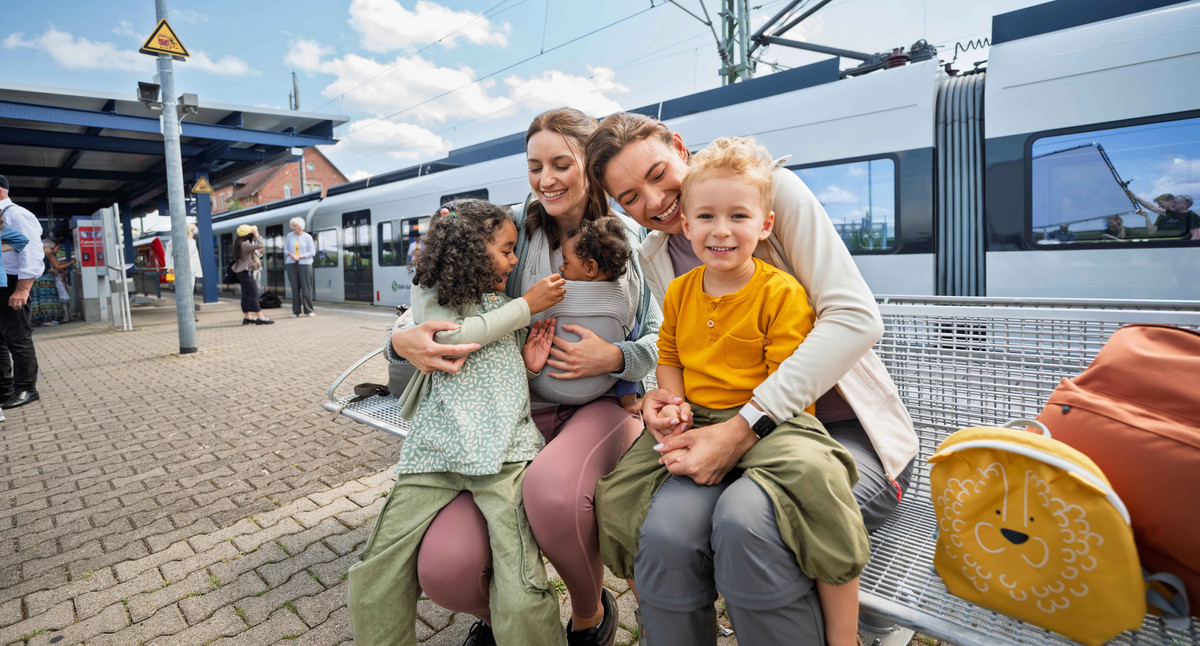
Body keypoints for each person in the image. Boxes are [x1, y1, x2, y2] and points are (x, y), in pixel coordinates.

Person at [584, 112, 918, 646]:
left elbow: (857, 318)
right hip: (726, 431)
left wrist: (741, 429)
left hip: (839, 433)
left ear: (679, 146)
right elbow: (677, 351)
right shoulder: (657, 258)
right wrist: (662, 401)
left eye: (656, 174)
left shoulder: (769, 192)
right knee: (665, 532)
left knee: (751, 527)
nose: (654, 202)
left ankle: (849, 632)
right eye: (630, 198)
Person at [388, 108, 661, 646]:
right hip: (507, 417)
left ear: (592, 163)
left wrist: (616, 359)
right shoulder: (512, 228)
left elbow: (662, 335)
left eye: (562, 163)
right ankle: (510, 619)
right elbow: (440, 291)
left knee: (554, 498)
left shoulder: (629, 237)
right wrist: (399, 337)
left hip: (600, 410)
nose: (547, 179)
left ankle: (589, 614)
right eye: (535, 165)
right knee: (445, 569)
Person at [348, 200, 569, 646]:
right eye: (507, 250)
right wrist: (527, 305)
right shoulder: (435, 297)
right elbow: (456, 338)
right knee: (378, 568)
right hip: (436, 453)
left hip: (503, 454)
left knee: (520, 576)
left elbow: (495, 370)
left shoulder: (504, 305)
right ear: (471, 248)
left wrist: (527, 364)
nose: (513, 260)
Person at [530, 217, 640, 409]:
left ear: (590, 268)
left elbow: (628, 347)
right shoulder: (624, 304)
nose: (561, 267)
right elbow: (630, 336)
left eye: (566, 262)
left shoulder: (622, 300)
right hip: (550, 393)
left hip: (592, 399)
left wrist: (628, 393)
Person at [0, 174, 45, 410]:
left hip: (12, 282)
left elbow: (32, 253)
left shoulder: (15, 214)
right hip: (1, 282)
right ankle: (4, 389)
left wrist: (23, 288)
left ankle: (27, 388)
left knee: (17, 337)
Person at [231, 224, 273, 325]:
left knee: (246, 294)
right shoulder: (244, 244)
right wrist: (257, 234)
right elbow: (261, 245)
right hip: (245, 272)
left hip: (243, 272)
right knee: (253, 293)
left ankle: (247, 316)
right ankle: (260, 317)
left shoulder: (241, 243)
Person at [1128, 191, 1200, 239]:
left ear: (1185, 205)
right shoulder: (1167, 213)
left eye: (1176, 203)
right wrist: (1136, 198)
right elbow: (1152, 207)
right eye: (1173, 202)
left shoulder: (1192, 216)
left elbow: (1195, 236)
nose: (1173, 204)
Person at [284, 216, 316, 317]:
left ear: (301, 226)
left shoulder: (307, 237)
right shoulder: (289, 236)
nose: (293, 228)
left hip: (305, 264)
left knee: (306, 288)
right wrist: (291, 255)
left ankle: (309, 310)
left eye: (295, 226)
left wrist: (301, 256)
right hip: (291, 264)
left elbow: (312, 252)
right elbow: (285, 250)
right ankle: (296, 311)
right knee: (295, 288)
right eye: (292, 226)